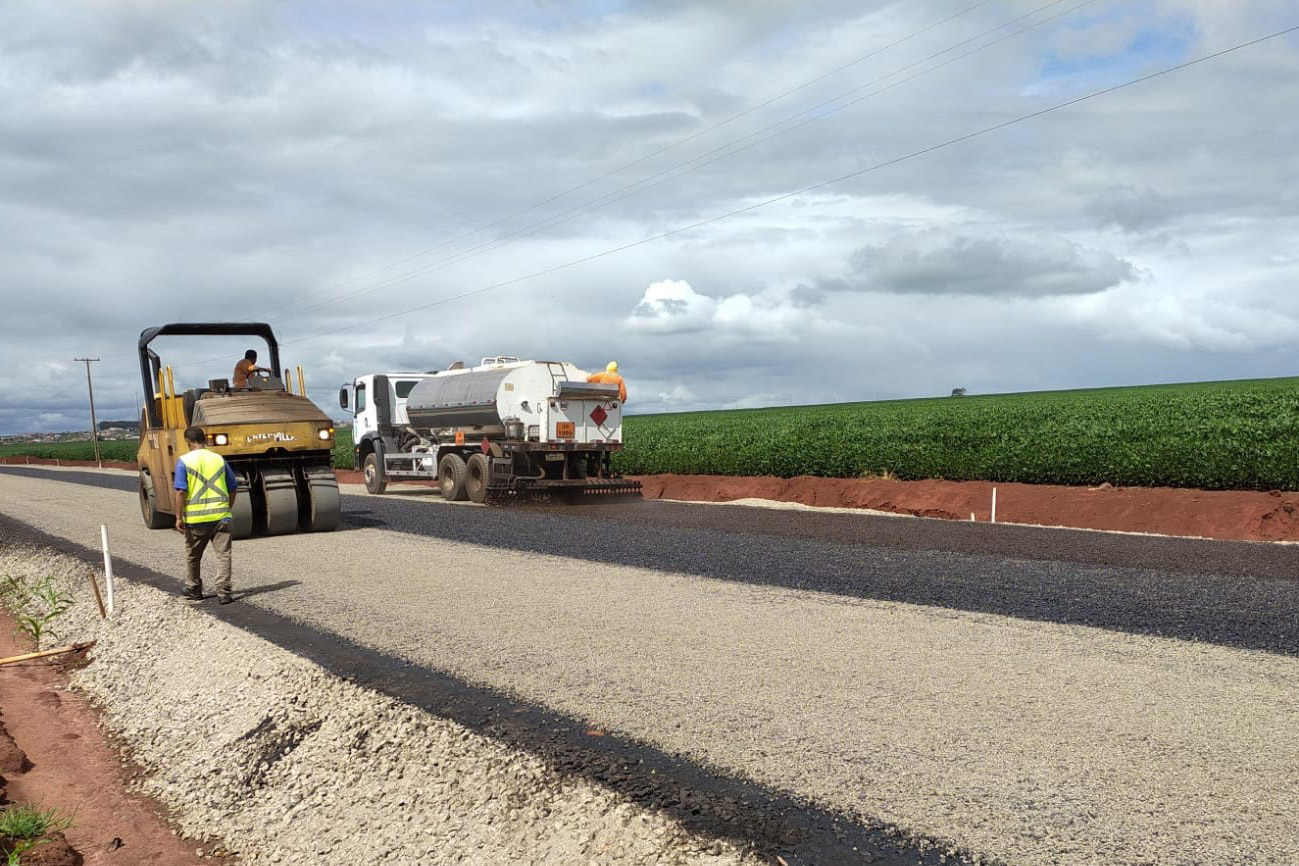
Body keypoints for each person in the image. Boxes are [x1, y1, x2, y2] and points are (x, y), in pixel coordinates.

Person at [173, 426, 237, 604]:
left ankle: (194, 589)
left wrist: (178, 517)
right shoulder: (218, 459)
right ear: (204, 439)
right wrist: (226, 508)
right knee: (223, 554)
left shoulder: (184, 461)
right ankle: (224, 592)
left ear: (188, 441)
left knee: (193, 555)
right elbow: (233, 488)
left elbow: (180, 492)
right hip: (221, 517)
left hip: (196, 520)